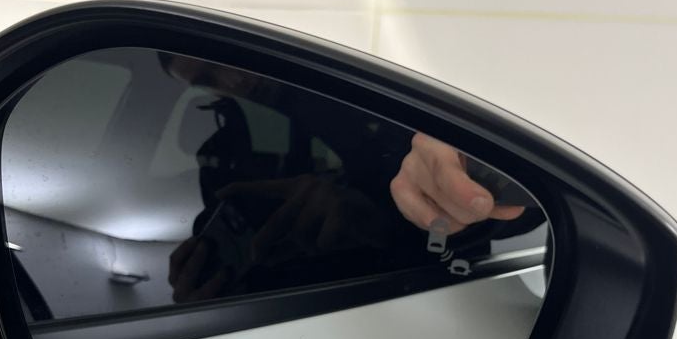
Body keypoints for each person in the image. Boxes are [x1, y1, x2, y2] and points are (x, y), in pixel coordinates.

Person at [161, 54, 542, 303]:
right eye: (207, 78)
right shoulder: (219, 159)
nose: (231, 79)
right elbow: (247, 245)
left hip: (432, 297)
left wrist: (375, 219)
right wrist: (209, 290)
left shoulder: (356, 84)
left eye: (221, 61)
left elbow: (523, 209)